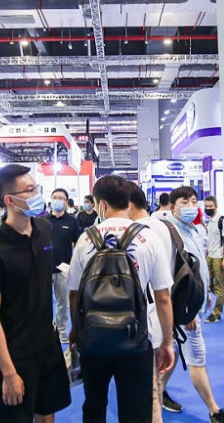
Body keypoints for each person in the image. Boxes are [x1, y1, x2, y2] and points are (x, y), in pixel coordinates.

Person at [68, 175, 175, 423]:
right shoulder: (148, 237)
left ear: (102, 204)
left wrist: (76, 329)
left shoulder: (86, 238)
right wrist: (167, 343)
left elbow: (74, 293)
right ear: (128, 202)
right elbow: (163, 297)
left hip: (93, 339)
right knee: (136, 410)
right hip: (135, 339)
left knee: (94, 405)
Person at [0, 164, 71, 423]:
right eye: (30, 190)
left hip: (48, 344)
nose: (37, 194)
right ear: (10, 200)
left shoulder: (44, 229)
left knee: (47, 413)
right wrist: (8, 373)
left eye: (36, 187)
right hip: (15, 353)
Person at [164, 186, 224, 423]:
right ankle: (214, 411)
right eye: (185, 202)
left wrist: (205, 294)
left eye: (194, 201)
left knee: (172, 354)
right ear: (173, 206)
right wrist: (187, 310)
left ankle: (156, 393)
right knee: (196, 358)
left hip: (192, 304)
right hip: (183, 310)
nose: (191, 206)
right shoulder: (168, 232)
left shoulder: (194, 228)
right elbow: (169, 277)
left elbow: (196, 266)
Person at [125, 183, 182, 420]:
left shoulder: (141, 232)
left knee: (148, 390)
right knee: (154, 384)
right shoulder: (164, 226)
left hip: (148, 314)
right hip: (161, 313)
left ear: (128, 204)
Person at [47, 188, 82, 343]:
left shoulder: (72, 221)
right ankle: (47, 330)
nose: (57, 200)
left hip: (64, 268)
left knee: (64, 303)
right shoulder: (44, 221)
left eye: (61, 198)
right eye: (55, 197)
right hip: (45, 268)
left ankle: (61, 330)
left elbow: (79, 243)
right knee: (43, 302)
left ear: (66, 202)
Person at [202, 196, 224, 323]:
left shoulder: (222, 220)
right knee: (209, 285)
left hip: (219, 257)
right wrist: (206, 255)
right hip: (210, 256)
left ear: (216, 206)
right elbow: (210, 241)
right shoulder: (209, 221)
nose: (208, 208)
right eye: (206, 206)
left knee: (219, 286)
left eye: (210, 206)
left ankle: (217, 313)